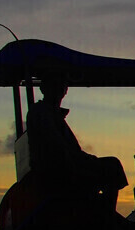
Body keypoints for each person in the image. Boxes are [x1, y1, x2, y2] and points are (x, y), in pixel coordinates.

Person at [26, 77, 128, 214]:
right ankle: (106, 217)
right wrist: (86, 161)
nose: (60, 90)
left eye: (62, 86)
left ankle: (105, 213)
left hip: (64, 167)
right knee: (112, 168)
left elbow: (68, 149)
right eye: (54, 85)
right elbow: (60, 148)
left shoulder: (50, 113)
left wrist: (87, 159)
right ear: (44, 88)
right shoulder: (41, 112)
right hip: (59, 173)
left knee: (112, 164)